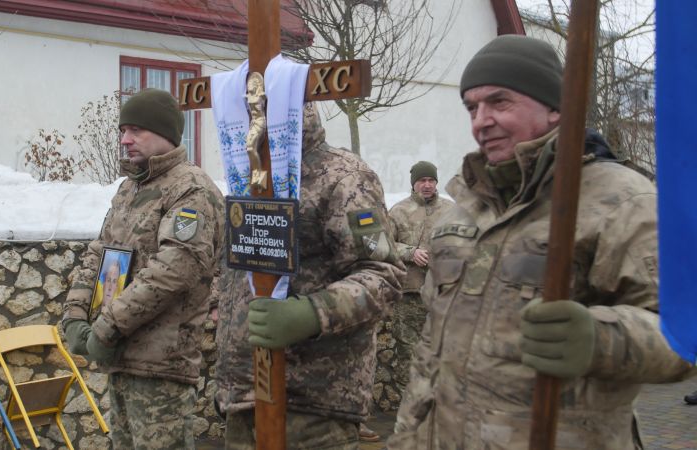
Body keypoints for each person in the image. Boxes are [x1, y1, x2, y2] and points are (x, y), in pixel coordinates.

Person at [389, 35, 693, 449]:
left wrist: (599, 338)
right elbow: (430, 353)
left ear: (554, 108)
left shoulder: (621, 200)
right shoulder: (464, 209)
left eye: (499, 102)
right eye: (472, 107)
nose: (481, 120)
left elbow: (684, 335)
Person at [214, 103, 406, 449]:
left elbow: (383, 275)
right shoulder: (251, 176)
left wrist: (311, 313)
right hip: (244, 398)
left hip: (313, 405)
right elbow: (237, 269)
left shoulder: (344, 176)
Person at [62, 88, 225, 449]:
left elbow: (173, 270)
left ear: (166, 133)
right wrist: (75, 314)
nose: (125, 139)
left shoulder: (191, 188)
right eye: (123, 130)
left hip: (161, 365)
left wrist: (106, 327)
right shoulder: (128, 189)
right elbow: (99, 253)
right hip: (120, 356)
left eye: (136, 130)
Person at [388, 161, 454, 390]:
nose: (427, 185)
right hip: (409, 294)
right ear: (413, 183)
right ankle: (410, 405)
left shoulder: (451, 210)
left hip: (443, 293)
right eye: (422, 181)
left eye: (431, 180)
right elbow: (381, 244)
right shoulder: (398, 211)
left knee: (443, 351)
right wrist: (410, 252)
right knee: (409, 352)